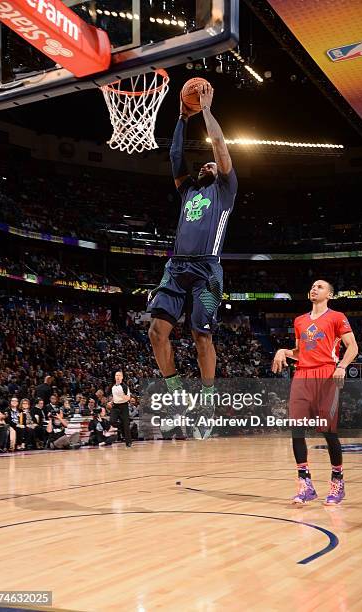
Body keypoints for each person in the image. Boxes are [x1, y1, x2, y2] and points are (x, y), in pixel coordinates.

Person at [147, 82, 237, 439]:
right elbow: (175, 157)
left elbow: (219, 146)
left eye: (213, 163)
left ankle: (209, 400)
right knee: (156, 332)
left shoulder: (226, 190)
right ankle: (177, 394)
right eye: (206, 164)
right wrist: (183, 119)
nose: (208, 164)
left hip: (208, 272)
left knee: (202, 336)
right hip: (176, 267)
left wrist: (207, 112)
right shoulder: (189, 190)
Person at [272, 280, 358, 505]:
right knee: (297, 431)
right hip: (302, 375)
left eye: (319, 286)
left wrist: (341, 367)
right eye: (311, 286)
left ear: (329, 294)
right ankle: (305, 484)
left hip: (327, 375)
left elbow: (353, 347)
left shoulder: (337, 317)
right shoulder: (299, 320)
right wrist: (283, 351)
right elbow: (300, 353)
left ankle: (337, 481)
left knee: (328, 431)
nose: (314, 288)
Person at [111, 370, 132, 448]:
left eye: (119, 375)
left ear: (122, 377)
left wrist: (122, 395)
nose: (118, 377)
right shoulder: (113, 387)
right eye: (116, 375)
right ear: (115, 377)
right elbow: (114, 397)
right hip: (115, 406)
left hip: (124, 406)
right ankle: (121, 427)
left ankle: (128, 442)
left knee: (126, 424)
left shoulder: (125, 387)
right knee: (112, 421)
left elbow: (128, 398)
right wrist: (111, 401)